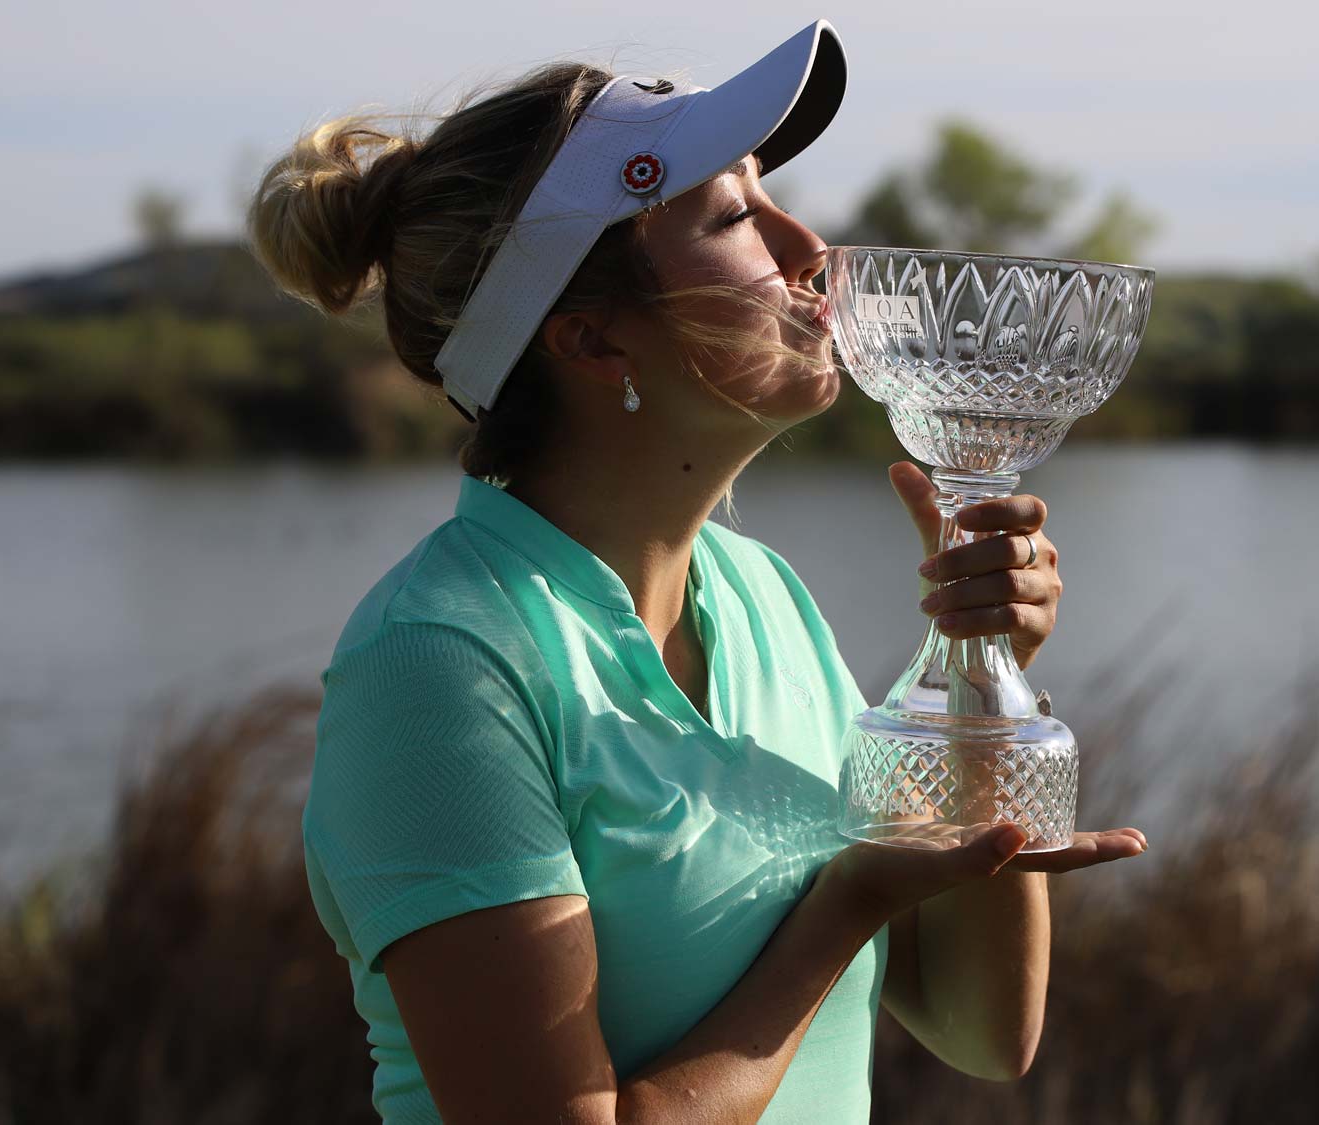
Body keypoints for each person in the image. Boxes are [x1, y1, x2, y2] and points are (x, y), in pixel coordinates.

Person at [244, 18, 1147, 1123]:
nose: (804, 243)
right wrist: (842, 906)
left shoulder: (762, 597)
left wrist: (978, 684)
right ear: (590, 341)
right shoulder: (439, 665)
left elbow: (982, 1034)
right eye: (731, 216)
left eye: (770, 194)